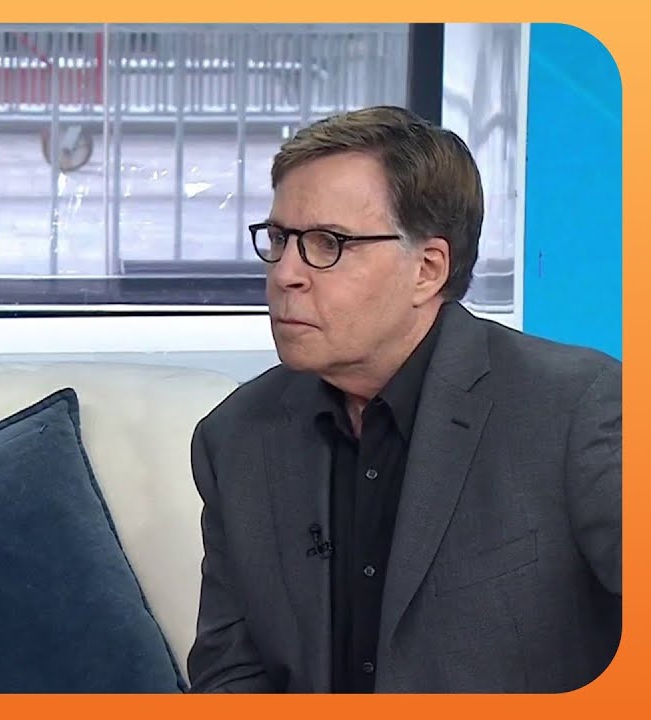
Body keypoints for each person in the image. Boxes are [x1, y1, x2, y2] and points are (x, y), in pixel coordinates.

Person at [187, 105, 620, 693]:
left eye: (327, 243)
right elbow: (230, 672)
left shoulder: (577, 410)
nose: (286, 273)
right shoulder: (235, 437)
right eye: (281, 239)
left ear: (428, 269)